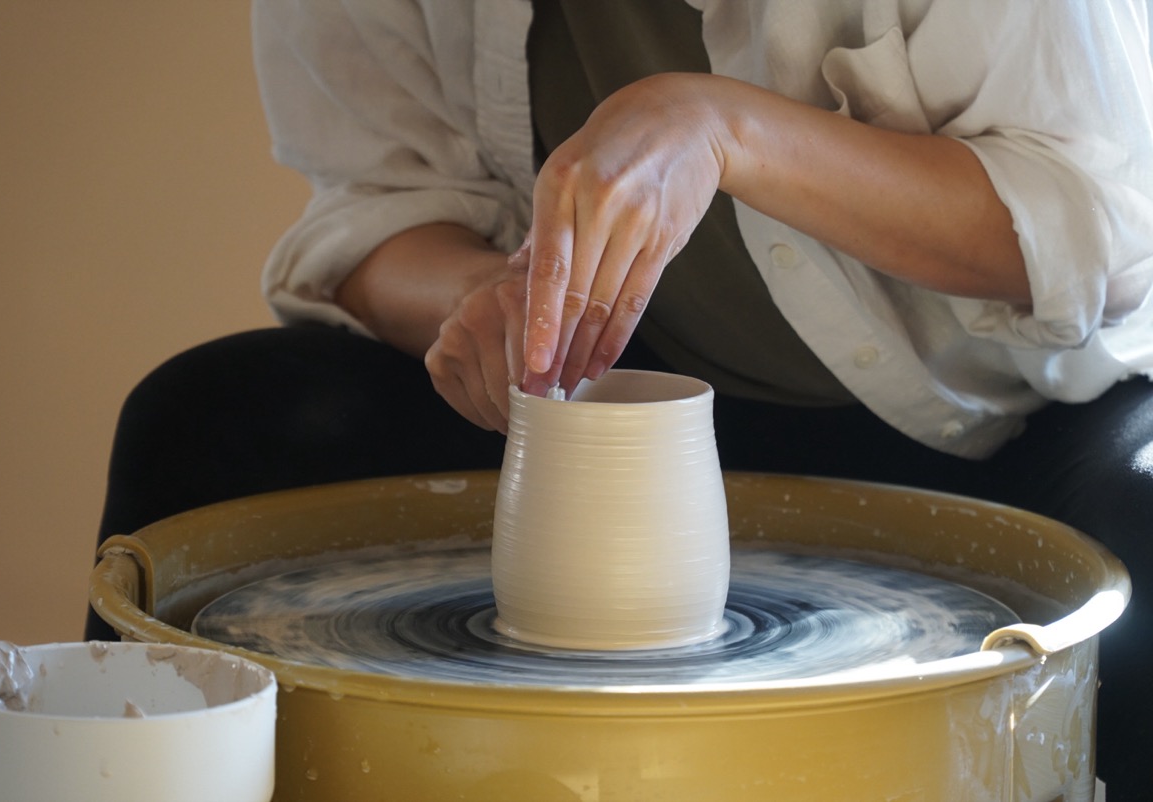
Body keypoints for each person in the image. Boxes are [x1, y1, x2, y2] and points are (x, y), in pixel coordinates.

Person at [88, 1, 1153, 796]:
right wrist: (478, 299)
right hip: (609, 398)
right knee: (212, 417)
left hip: (1011, 403)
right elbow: (375, 207)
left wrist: (719, 128)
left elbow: (1090, 229)